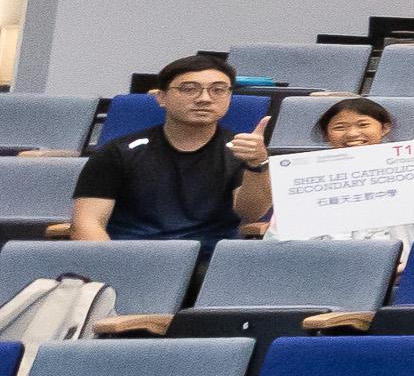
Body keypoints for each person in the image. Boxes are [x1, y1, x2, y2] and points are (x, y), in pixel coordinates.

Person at [70, 51, 273, 242]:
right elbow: (87, 223)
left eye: (218, 90)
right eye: (189, 89)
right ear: (161, 97)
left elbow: (250, 213)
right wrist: (113, 267)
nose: (204, 98)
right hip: (133, 258)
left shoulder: (241, 150)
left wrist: (256, 164)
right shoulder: (117, 152)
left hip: (209, 262)